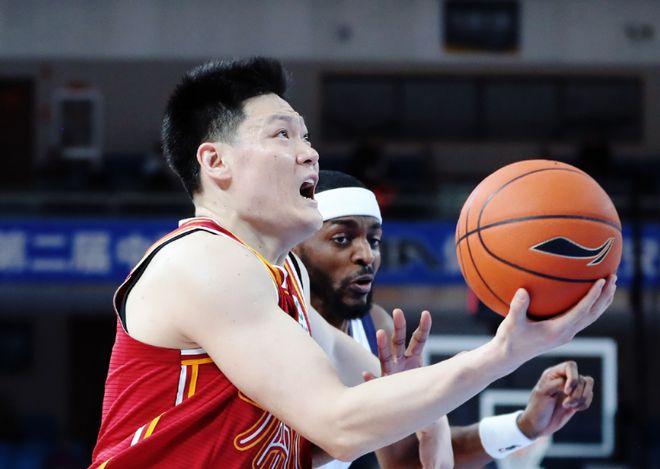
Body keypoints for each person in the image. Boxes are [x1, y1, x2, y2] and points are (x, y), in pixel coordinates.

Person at [90, 57, 616, 468]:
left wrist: (442, 401)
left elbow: (380, 428)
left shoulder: (283, 289)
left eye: (306, 136)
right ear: (216, 161)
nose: (309, 153)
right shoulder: (204, 260)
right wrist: (506, 352)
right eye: (282, 134)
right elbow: (341, 424)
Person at [294, 170, 603, 468]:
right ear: (295, 247)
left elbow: (406, 459)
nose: (367, 254)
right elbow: (308, 445)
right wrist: (420, 402)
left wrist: (524, 427)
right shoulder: (276, 317)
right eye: (342, 239)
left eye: (374, 240)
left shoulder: (376, 327)